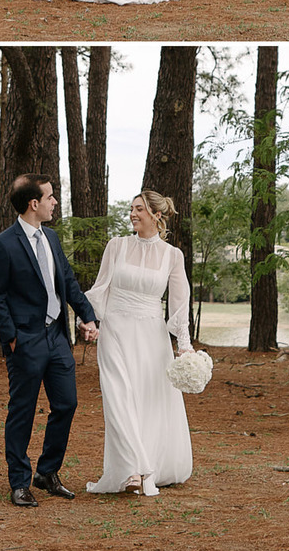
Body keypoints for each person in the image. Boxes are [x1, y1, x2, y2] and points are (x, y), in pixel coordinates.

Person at [0, 174, 99, 507]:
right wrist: (12, 338)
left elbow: (67, 281)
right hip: (26, 341)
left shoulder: (51, 238)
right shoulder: (3, 244)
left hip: (57, 338)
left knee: (67, 404)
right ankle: (19, 482)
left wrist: (87, 315)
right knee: (22, 411)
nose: (54, 203)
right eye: (49, 197)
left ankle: (47, 472)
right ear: (34, 204)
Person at [84, 189, 194, 496]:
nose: (133, 214)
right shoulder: (116, 246)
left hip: (152, 336)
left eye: (139, 209)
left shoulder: (173, 256)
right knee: (118, 397)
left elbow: (180, 303)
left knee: (146, 400)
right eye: (132, 208)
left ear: (156, 216)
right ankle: (132, 469)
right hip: (115, 330)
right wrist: (91, 322)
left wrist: (184, 345)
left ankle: (149, 463)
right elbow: (100, 288)